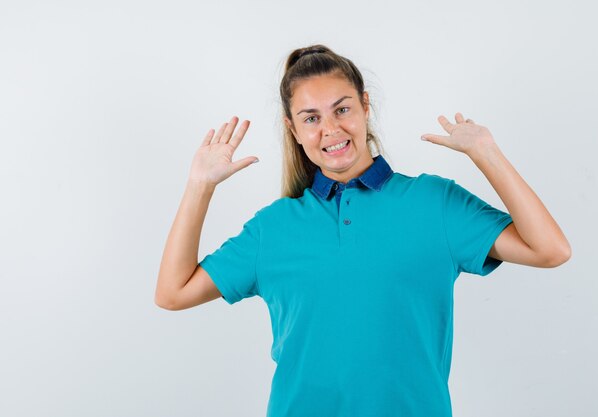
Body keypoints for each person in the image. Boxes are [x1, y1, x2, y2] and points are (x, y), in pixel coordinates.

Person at [155, 44, 571, 417]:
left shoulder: (435, 203)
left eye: (342, 109)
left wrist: (486, 153)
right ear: (293, 130)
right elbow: (173, 293)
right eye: (311, 118)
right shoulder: (273, 228)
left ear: (365, 106)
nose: (331, 129)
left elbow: (550, 249)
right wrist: (199, 186)